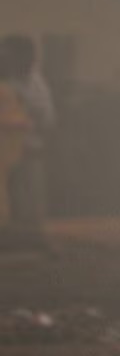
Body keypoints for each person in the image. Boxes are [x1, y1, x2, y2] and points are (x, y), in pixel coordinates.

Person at [0, 35, 54, 247]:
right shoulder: (5, 80)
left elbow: (48, 120)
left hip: (29, 154)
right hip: (5, 157)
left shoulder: (37, 84)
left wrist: (22, 122)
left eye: (8, 54)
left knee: (30, 213)